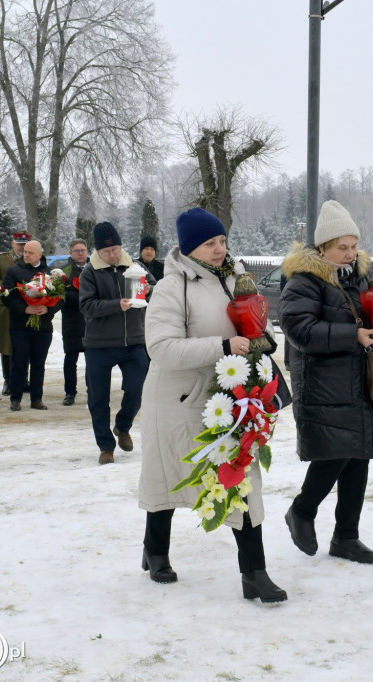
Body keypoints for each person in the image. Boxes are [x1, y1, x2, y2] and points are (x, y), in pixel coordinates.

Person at [138, 208, 287, 603]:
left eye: (222, 240)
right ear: (190, 249)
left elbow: (256, 320)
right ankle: (155, 551)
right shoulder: (171, 288)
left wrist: (263, 337)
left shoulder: (237, 278)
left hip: (231, 398)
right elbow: (161, 348)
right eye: (210, 243)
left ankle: (254, 573)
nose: (220, 249)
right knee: (169, 478)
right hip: (177, 400)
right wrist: (223, 346)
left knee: (242, 479)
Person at [279, 199, 373, 563]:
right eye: (341, 247)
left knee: (359, 453)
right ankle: (302, 510)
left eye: (353, 246)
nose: (349, 253)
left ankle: (346, 536)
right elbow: (299, 329)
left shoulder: (362, 275)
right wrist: (353, 335)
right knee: (336, 453)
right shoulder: (304, 281)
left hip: (361, 378)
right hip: (324, 381)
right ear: (322, 248)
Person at [79, 223, 149, 465]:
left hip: (134, 342)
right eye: (107, 251)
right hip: (99, 344)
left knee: (137, 389)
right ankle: (105, 446)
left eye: (116, 249)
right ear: (98, 251)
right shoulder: (89, 272)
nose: (113, 254)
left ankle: (122, 425)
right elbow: (86, 306)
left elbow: (154, 291)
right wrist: (115, 304)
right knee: (98, 398)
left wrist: (149, 289)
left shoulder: (135, 267)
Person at [3, 239, 63, 411]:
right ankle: (16, 398)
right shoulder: (14, 271)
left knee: (38, 364)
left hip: (42, 327)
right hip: (20, 326)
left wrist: (48, 309)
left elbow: (60, 298)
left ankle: (37, 399)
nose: (26, 254)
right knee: (19, 362)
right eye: (25, 252)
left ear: (40, 254)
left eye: (30, 252)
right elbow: (7, 296)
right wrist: (25, 309)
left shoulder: (50, 273)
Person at [0, 232, 30, 395]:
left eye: (24, 244)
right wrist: (12, 285)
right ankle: (8, 380)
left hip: (26, 306)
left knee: (25, 344)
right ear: (12, 243)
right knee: (6, 345)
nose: (21, 247)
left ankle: (23, 380)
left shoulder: (30, 259)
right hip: (5, 308)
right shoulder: (1, 259)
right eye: (19, 243)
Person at [60, 239, 89, 405]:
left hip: (91, 321)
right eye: (76, 250)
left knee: (91, 360)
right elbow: (61, 295)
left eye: (83, 250)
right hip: (71, 320)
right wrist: (84, 299)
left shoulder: (95, 269)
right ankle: (70, 393)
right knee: (70, 359)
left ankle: (92, 390)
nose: (80, 253)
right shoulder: (64, 271)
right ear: (71, 253)